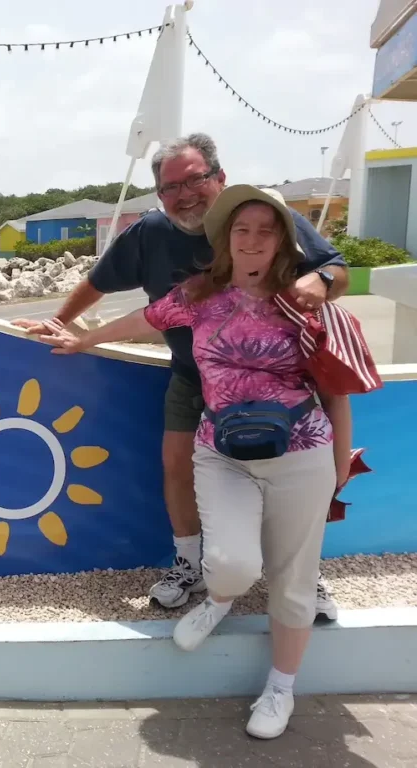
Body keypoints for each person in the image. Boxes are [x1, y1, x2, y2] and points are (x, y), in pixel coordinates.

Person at [39, 184, 351, 739]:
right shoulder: (200, 293)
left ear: (283, 239)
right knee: (233, 562)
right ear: (226, 237)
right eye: (242, 229)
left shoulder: (305, 301)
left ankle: (280, 688)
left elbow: (337, 388)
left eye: (266, 230)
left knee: (294, 581)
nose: (253, 240)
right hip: (222, 451)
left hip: (302, 453)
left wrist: (339, 461)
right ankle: (221, 598)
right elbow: (145, 319)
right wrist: (81, 339)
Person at [12, 133, 349, 617]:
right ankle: (190, 563)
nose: (184, 194)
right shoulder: (151, 234)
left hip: (284, 384)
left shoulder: (262, 217)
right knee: (176, 461)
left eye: (195, 180)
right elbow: (106, 287)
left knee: (292, 477)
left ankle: (303, 573)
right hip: (195, 376)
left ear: (219, 178)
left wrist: (318, 278)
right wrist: (64, 325)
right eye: (171, 187)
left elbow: (338, 270)